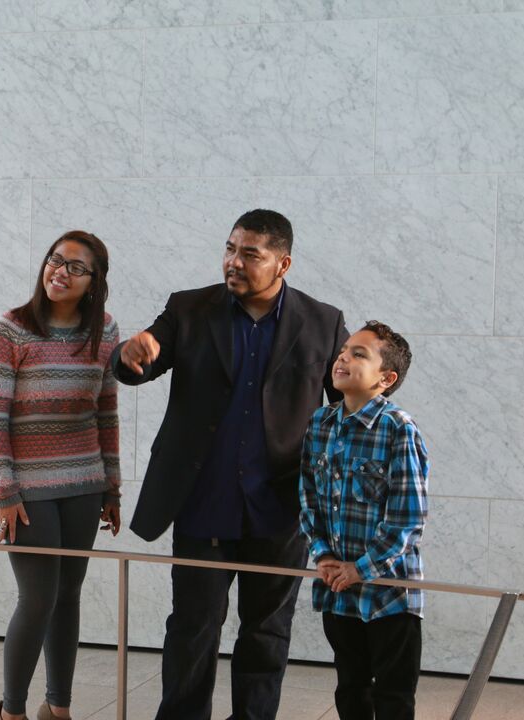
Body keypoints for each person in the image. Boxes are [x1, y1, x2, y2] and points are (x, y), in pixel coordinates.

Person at [111, 209, 349, 720]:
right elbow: (138, 365)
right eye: (229, 248)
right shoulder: (189, 308)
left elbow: (349, 401)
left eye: (250, 254)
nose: (233, 262)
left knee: (266, 632)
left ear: (282, 263)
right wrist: (128, 354)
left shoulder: (323, 321)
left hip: (282, 510)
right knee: (193, 629)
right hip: (203, 503)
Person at [0, 230, 122, 720]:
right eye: (55, 260)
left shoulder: (103, 331)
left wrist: (112, 485)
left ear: (94, 281)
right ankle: (12, 711)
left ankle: (58, 708)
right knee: (38, 597)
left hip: (84, 481)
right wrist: (4, 490)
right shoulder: (13, 328)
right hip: (28, 488)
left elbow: (106, 412)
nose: (59, 272)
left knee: (69, 595)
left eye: (75, 267)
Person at [299, 321, 429, 720]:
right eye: (344, 350)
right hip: (338, 590)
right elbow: (307, 498)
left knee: (393, 697)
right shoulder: (320, 423)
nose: (343, 357)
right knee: (350, 690)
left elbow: (408, 517)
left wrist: (362, 568)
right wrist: (322, 556)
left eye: (359, 354)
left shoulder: (398, 430)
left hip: (389, 595)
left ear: (385, 378)